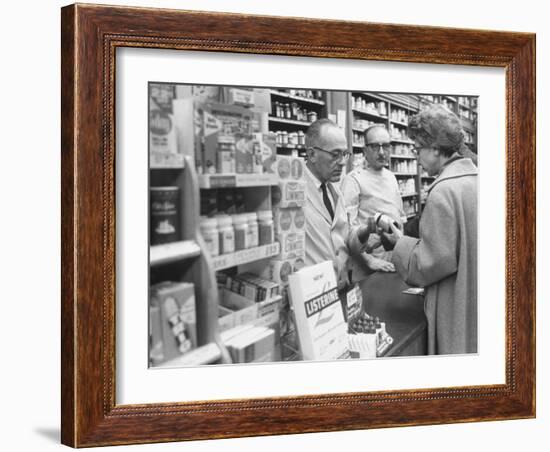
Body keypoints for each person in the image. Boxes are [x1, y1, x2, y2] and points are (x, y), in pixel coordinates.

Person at [382, 104, 478, 355]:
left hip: (454, 303)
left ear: (435, 148)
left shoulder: (443, 191)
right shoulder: (476, 180)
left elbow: (431, 262)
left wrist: (399, 244)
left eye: (417, 149)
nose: (416, 156)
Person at [303, 119, 376, 290]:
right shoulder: (293, 190)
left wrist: (364, 231)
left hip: (340, 287)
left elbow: (344, 239)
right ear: (312, 154)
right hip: (310, 292)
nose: (343, 162)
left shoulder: (334, 191)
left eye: (344, 154)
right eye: (335, 155)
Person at [342, 124, 405, 277]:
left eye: (386, 146)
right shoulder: (353, 180)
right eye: (375, 147)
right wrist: (369, 260)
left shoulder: (391, 177)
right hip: (368, 266)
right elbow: (347, 231)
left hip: (394, 259)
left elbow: (400, 217)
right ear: (365, 151)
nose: (382, 152)